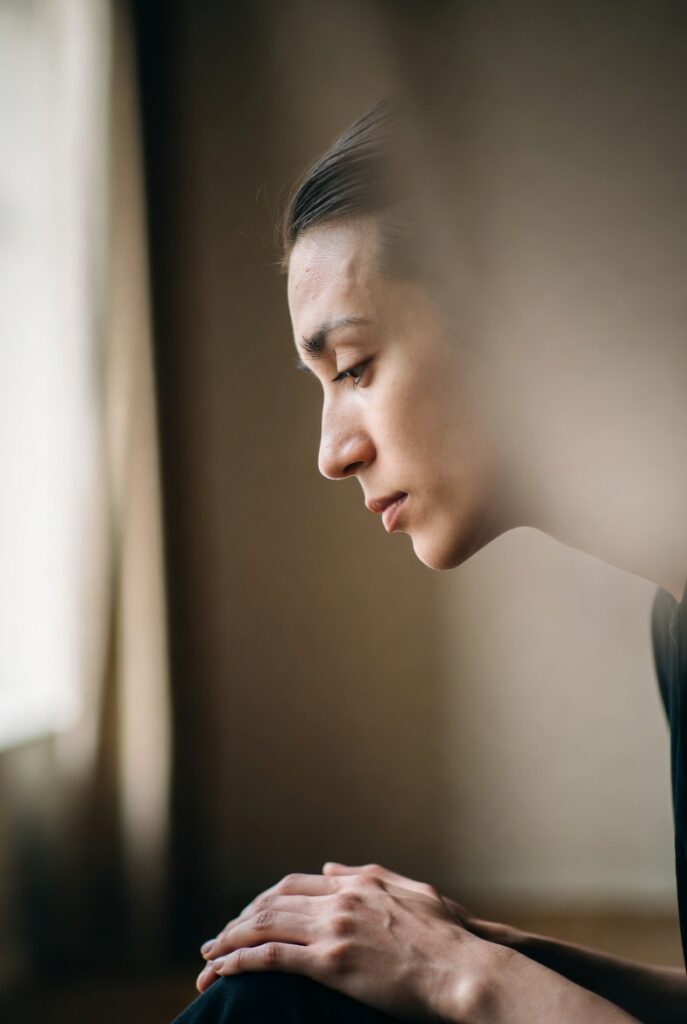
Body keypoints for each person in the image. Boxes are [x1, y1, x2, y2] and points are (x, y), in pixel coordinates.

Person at [173, 99, 687, 1022]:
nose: (332, 451)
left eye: (356, 366)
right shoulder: (676, 626)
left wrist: (461, 978)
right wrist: (486, 948)